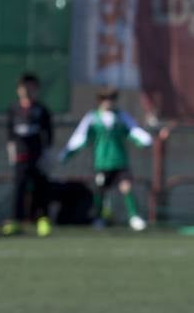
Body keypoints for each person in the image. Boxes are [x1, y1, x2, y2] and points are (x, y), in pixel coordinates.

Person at [58, 88, 152, 231]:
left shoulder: (121, 117)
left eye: (111, 99)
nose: (108, 102)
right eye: (105, 99)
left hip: (120, 161)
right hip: (102, 162)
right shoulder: (92, 117)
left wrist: (145, 139)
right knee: (100, 191)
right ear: (100, 100)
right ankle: (98, 218)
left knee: (126, 187)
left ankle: (134, 217)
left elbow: (134, 131)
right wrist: (67, 153)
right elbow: (80, 137)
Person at [3, 72, 53, 237]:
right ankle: (15, 221)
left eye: (31, 87)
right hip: (20, 156)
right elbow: (10, 133)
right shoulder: (13, 109)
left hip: (37, 155)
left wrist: (46, 154)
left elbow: (48, 133)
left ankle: (42, 220)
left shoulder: (41, 109)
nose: (28, 91)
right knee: (19, 188)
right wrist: (11, 150)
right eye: (24, 87)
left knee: (41, 188)